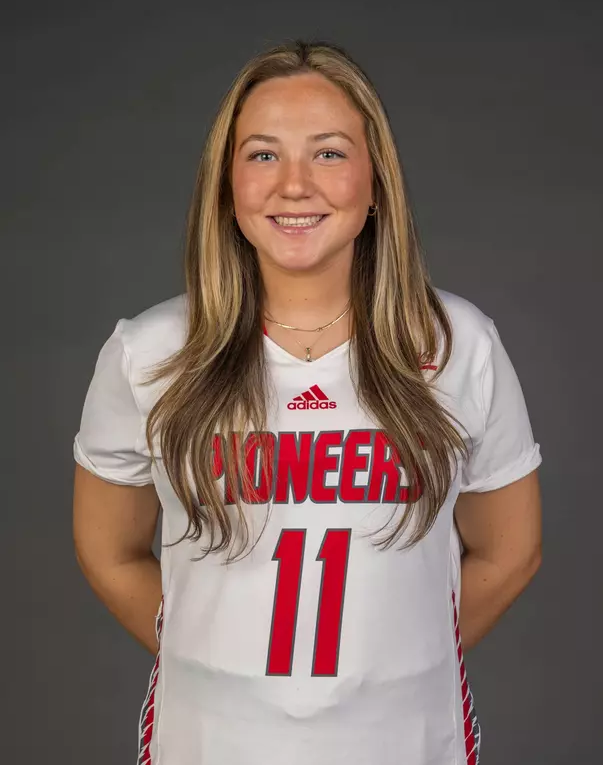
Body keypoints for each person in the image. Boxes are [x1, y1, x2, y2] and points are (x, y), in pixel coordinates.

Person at [72, 39, 542, 765]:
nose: (294, 185)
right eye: (262, 155)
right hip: (211, 738)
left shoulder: (456, 343)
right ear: (226, 186)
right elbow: (108, 551)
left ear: (375, 181)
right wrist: (219, 661)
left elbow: (510, 551)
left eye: (327, 153)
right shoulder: (151, 351)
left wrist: (390, 668)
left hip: (407, 739)